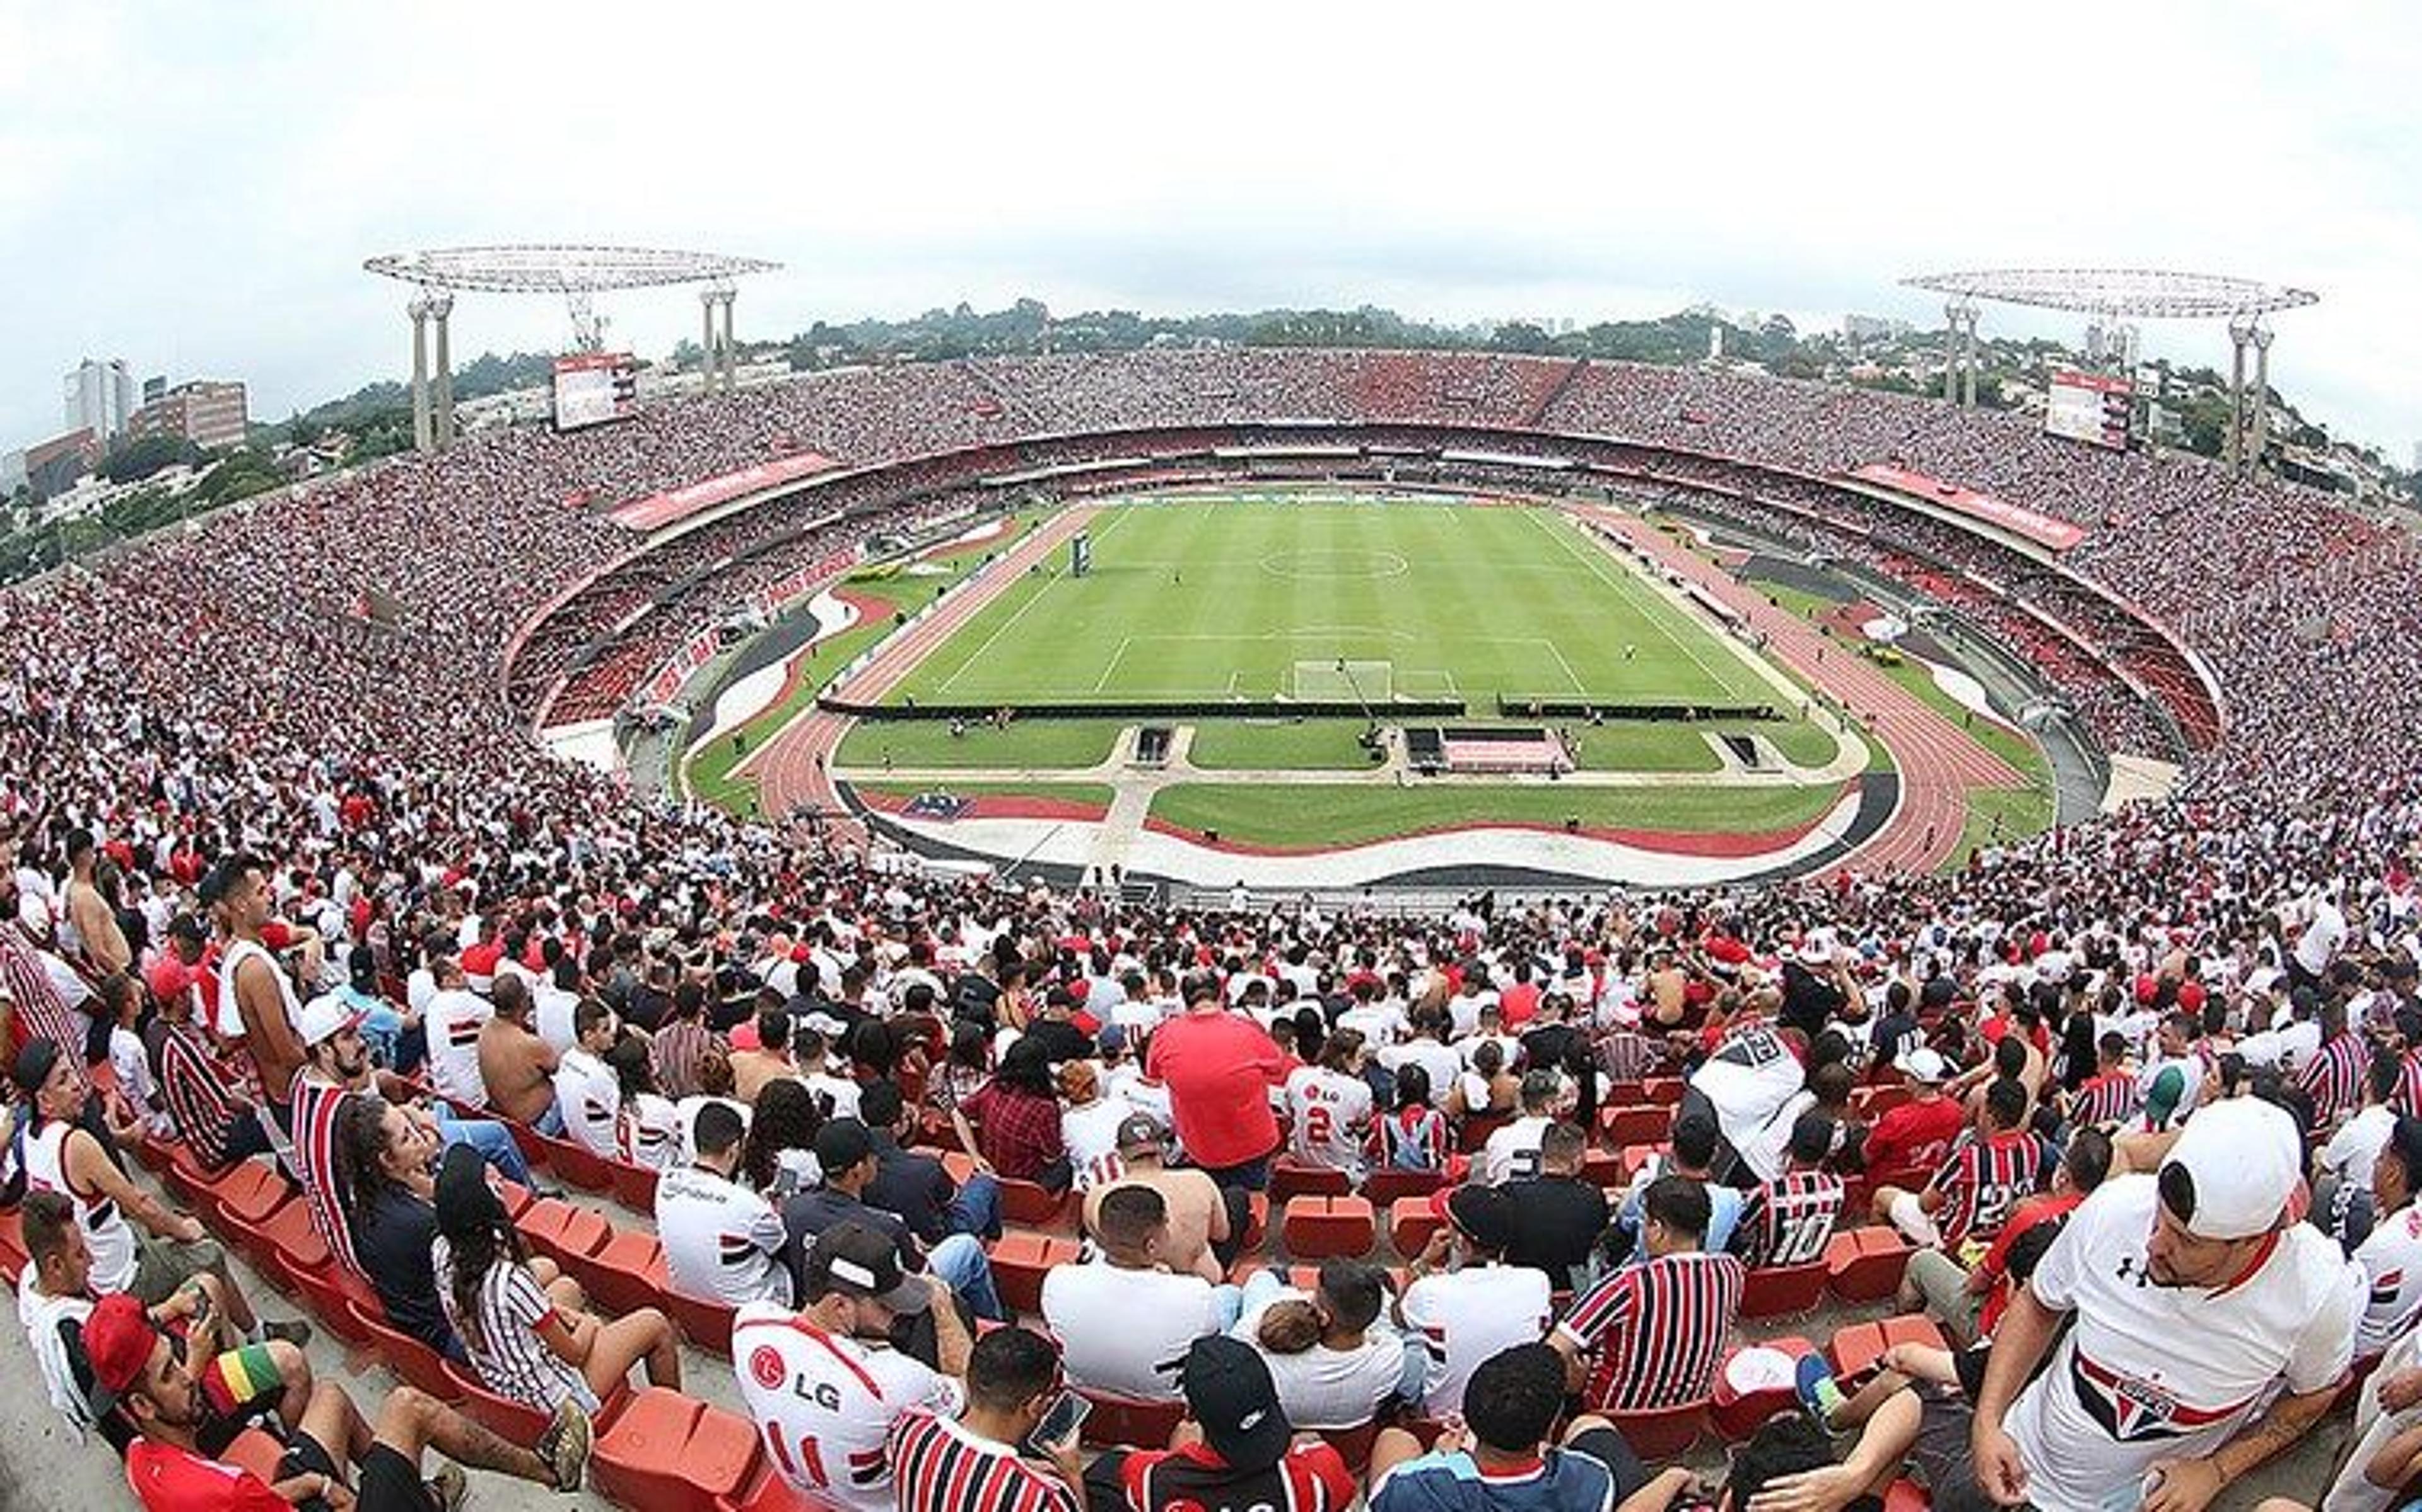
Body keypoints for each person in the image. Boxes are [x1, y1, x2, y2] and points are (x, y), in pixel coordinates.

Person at [1957, 1098, 2363, 1512]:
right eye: (2160, 1216)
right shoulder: (2116, 1208)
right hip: (2019, 1455)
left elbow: (2314, 1395)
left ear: (2253, 1241)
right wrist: (1988, 1420)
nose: (2154, 1243)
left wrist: (2217, 1470)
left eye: (2186, 1240)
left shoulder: (2317, 1293)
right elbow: (2039, 1302)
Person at [90, 1291, 590, 1510]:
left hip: (272, 1499)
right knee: (407, 1408)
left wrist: (315, 1481)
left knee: (330, 1397)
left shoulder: (139, 1457)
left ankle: (420, 1500)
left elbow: (244, 1491)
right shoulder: (217, 1492)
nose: (187, 1370)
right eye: (169, 1371)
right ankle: (551, 1469)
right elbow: (240, 1497)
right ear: (143, 1407)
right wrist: (333, 1492)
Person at [14, 1037, 298, 1342]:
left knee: (171, 1238)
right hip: (122, 1277)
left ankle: (253, 1330)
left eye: (72, 1073)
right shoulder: (75, 1144)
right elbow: (138, 1204)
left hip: (105, 1263)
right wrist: (184, 1230)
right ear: (44, 1101)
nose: (76, 1084)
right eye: (63, 1080)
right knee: (208, 1252)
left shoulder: (29, 1141)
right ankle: (250, 1342)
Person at [19, 1188, 312, 1453]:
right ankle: (288, 1452)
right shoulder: (79, 1340)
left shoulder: (33, 1281)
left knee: (206, 1285)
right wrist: (196, 1359)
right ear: (55, 1265)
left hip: (169, 1387)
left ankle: (245, 1399)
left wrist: (171, 1308)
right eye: (80, 1254)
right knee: (291, 1362)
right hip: (186, 1418)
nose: (92, 1260)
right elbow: (161, 1419)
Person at [734, 1222, 970, 1512]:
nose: (895, 1313)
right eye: (885, 1305)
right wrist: (943, 1306)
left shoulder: (750, 1323)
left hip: (802, 1490)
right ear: (840, 1306)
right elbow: (973, 1387)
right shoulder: (892, 1379)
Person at [431, 1143, 681, 1415]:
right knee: (655, 1324)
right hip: (559, 1403)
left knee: (568, 1288)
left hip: (501, 1377)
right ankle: (672, 1414)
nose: (494, 1174)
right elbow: (574, 1353)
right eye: (487, 1176)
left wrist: (553, 1313)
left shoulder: (442, 1249)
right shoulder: (509, 1281)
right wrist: (590, 1324)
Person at [1087, 1334, 1359, 1512]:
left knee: (1121, 1458)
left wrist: (1182, 1453)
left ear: (1190, 1411)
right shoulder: (1319, 1470)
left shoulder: (1147, 1477)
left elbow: (1138, 1470)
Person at [1367, 1340, 1646, 1510]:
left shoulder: (1408, 1488)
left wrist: (1441, 1459)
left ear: (1469, 1414)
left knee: (1394, 1439)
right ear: (1551, 1426)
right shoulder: (1591, 1479)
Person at [783, 1116, 1005, 1321]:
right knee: (968, 1247)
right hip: (884, 1317)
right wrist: (916, 1247)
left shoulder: (793, 1209)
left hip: (825, 1310)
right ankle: (994, 1324)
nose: (877, 1160)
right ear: (858, 1170)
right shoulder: (888, 1227)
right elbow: (923, 1283)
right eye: (872, 1156)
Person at [1554, 1175, 1745, 1412]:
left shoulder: (1626, 1284)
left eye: (1645, 1222)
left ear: (1657, 1230)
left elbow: (1555, 1349)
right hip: (1687, 1414)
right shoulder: (1731, 1271)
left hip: (1611, 1413)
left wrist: (1576, 1377)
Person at [1043, 1183, 1237, 1402]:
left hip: (1085, 1396)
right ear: (1151, 1247)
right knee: (1229, 1296)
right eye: (1166, 1224)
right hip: (1165, 1405)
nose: (1169, 1230)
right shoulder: (1196, 1294)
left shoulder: (1057, 1281)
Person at [886, 1327, 1082, 1512]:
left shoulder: (910, 1428)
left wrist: (1023, 1466)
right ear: (1035, 1406)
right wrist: (1073, 1475)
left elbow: (960, 1470)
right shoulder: (1044, 1497)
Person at [1398, 1185, 1553, 1417]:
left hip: (1446, 1417)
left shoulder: (1428, 1290)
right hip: (1518, 1414)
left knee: (1408, 1337)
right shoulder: (1537, 1281)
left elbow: (1397, 1316)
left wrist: (1422, 1262)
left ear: (1460, 1240)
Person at [333, 1096, 466, 1361]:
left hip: (418, 1318)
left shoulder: (364, 1202)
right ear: (386, 1160)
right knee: (555, 1278)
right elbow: (480, 1272)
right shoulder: (419, 1222)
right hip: (449, 1332)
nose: (418, 1138)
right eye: (406, 1138)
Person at [1234, 1257, 1419, 1431]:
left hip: (1283, 1429)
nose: (1310, 1299)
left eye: (1315, 1297)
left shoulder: (1264, 1363)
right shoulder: (1390, 1357)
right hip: (1350, 1440)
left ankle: (1278, 1277)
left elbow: (1240, 1338)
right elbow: (1392, 1331)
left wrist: (1286, 1304)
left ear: (1323, 1318)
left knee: (1259, 1281)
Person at [1147, 971, 1286, 1189]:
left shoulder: (1164, 1034)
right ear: (1221, 995)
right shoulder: (1248, 1028)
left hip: (1201, 1146)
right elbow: (1277, 1069)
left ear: (1185, 1000)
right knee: (1250, 1209)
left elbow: (1154, 1075)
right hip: (1250, 1144)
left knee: (1212, 1211)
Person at [1874, 1076, 2040, 1255]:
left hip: (1957, 1246)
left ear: (1991, 1117)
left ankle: (1887, 1264)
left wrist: (1939, 1180)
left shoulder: (1969, 1157)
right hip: (2001, 1238)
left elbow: (1925, 1205)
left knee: (1882, 1197)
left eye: (1982, 1108)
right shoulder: (2033, 1147)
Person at [657, 1098, 793, 1308]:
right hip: (748, 1308)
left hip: (689, 1299)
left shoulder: (665, 1183)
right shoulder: (748, 1205)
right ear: (734, 1149)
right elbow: (780, 1246)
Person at [1085, 1112, 1233, 1282]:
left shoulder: (1096, 1198)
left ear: (1120, 1155)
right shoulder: (1199, 1180)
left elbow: (1107, 1248)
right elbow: (1222, 1234)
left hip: (1135, 1284)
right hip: (1199, 1280)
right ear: (1163, 1150)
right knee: (1235, 1198)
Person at [861, 1077, 1002, 1245]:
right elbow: (952, 1200)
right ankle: (990, 1242)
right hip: (939, 1239)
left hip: (886, 1234)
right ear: (897, 1125)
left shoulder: (853, 1164)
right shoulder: (927, 1168)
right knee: (986, 1182)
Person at [1497, 1120, 1610, 1291]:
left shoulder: (1508, 1193)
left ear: (1542, 1153)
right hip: (1573, 1293)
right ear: (1579, 1159)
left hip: (1520, 1291)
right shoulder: (1594, 1198)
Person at [1731, 1110, 1845, 1270]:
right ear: (1825, 1153)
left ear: (1791, 1146)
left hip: (1763, 1273)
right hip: (1808, 1274)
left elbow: (1738, 1225)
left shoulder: (1768, 1193)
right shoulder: (1837, 1187)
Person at [953, 1035, 1070, 1189]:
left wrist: (975, 1156)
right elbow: (1052, 1157)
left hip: (992, 1170)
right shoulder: (1044, 1109)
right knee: (1068, 1164)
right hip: (1024, 1181)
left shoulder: (994, 1086)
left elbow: (958, 1113)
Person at [1285, 1026, 1374, 1183]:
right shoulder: (1361, 1090)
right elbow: (1362, 1126)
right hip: (1343, 1172)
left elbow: (1290, 1114)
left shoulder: (1298, 1075)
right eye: (1360, 1057)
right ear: (1345, 1058)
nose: (1363, 1062)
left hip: (1302, 1164)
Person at [477, 974, 561, 1132]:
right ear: (523, 1002)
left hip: (503, 1116)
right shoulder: (529, 1044)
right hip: (537, 1123)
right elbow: (556, 1066)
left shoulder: (484, 1031)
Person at [553, 998, 623, 1158]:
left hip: (580, 1146)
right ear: (589, 1036)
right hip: (608, 1154)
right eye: (605, 1030)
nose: (612, 1033)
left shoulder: (566, 1058)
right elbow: (621, 1120)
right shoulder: (602, 1076)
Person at [420, 955, 491, 1111]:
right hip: (475, 1100)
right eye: (459, 972)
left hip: (445, 1095)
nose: (465, 975)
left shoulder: (433, 1005)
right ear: (447, 981)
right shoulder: (465, 1000)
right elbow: (504, 1015)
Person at [1479, 1069, 1562, 1187]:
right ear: (1548, 1105)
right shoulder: (1565, 1139)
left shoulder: (1499, 1136)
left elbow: (1491, 1177)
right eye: (1558, 1100)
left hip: (1504, 1201)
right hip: (1546, 1201)